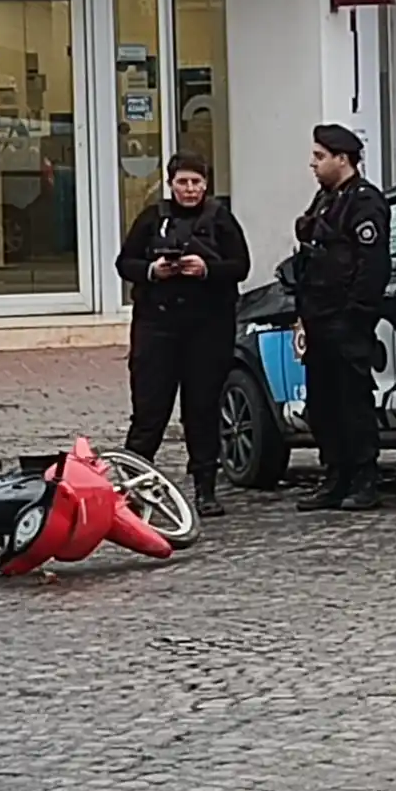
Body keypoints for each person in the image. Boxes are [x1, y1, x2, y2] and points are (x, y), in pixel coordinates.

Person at [117, 152, 250, 518]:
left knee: (202, 411)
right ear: (170, 183)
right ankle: (131, 486)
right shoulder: (152, 218)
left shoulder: (220, 219)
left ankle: (205, 489)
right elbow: (124, 262)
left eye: (196, 182)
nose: (189, 189)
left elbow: (241, 265)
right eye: (182, 182)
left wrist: (206, 269)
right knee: (149, 412)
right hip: (157, 327)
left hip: (207, 329)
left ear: (206, 184)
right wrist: (153, 270)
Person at [292, 124, 391, 512]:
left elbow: (372, 267)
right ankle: (334, 475)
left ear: (342, 159)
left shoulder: (364, 203)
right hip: (318, 316)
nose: (313, 164)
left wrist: (356, 315)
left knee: (352, 401)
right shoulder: (325, 199)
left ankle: (363, 477)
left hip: (346, 319)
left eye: (320, 157)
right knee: (323, 402)